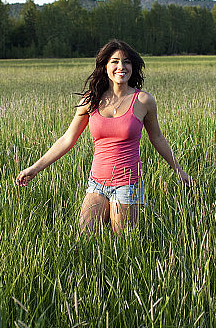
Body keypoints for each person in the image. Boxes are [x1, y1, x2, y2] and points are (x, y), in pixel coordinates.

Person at [15, 39, 191, 234]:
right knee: (84, 240)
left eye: (127, 62)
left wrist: (178, 170)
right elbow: (68, 139)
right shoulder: (91, 101)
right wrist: (35, 168)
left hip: (127, 184)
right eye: (115, 61)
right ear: (105, 66)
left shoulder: (143, 101)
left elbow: (157, 138)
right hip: (96, 184)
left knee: (123, 246)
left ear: (133, 66)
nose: (121, 67)